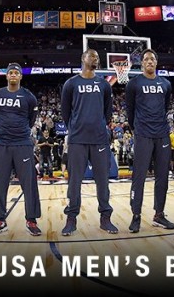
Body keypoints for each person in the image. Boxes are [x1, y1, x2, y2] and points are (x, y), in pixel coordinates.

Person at [60, 49, 117, 236]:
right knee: (74, 181)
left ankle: (105, 218)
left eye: (97, 57)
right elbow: (66, 112)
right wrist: (75, 128)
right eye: (92, 56)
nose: (96, 59)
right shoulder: (71, 84)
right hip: (77, 139)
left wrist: (100, 126)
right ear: (83, 59)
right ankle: (71, 218)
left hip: (99, 139)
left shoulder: (104, 85)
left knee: (103, 181)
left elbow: (107, 111)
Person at [0, 63, 42, 236]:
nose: (12, 75)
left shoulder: (29, 96)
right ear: (6, 76)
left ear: (20, 76)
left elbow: (31, 119)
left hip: (22, 144)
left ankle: (31, 220)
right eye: (10, 72)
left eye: (16, 73)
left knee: (29, 183)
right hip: (2, 144)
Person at [125, 49, 174, 233]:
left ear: (156, 62)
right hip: (143, 134)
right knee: (139, 177)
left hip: (162, 134)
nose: (149, 61)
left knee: (162, 177)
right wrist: (136, 128)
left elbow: (166, 105)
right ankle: (136, 215)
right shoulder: (134, 83)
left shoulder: (166, 83)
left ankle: (159, 215)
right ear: (142, 62)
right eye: (146, 59)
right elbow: (130, 110)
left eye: (152, 59)